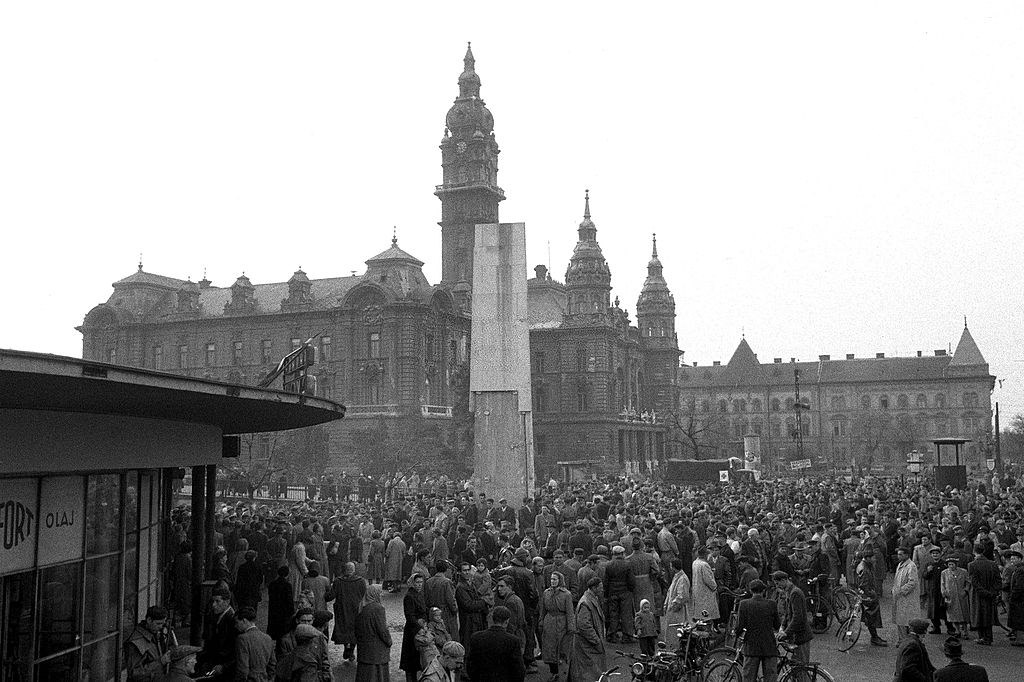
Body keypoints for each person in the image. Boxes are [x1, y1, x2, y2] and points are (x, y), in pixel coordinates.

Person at [734, 579, 781, 682]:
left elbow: (739, 626)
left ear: (751, 591)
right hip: (769, 646)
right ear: (763, 591)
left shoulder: (744, 604)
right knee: (770, 678)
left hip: (751, 646)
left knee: (748, 677)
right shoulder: (771, 604)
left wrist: (737, 636)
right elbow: (777, 625)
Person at [467, 606, 526, 682]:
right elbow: (518, 669)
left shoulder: (476, 637)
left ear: (492, 618)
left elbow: (470, 665)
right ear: (506, 621)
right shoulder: (512, 641)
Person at [539, 571, 575, 681]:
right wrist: (541, 621)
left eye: (555, 579)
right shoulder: (546, 592)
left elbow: (570, 612)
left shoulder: (566, 594)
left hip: (561, 622)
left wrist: (571, 627)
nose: (553, 581)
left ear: (560, 580)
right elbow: (543, 609)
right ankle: (553, 672)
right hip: (549, 622)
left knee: (561, 649)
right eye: (551, 579)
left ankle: (563, 673)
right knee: (549, 648)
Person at [568, 578, 606, 682]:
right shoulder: (586, 602)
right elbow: (584, 625)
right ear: (594, 588)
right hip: (587, 646)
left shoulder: (592, 599)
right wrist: (596, 640)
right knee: (589, 675)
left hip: (589, 645)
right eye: (601, 587)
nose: (602, 590)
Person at [772, 571, 812, 666]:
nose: (778, 587)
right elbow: (787, 613)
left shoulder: (795, 593)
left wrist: (786, 632)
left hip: (801, 636)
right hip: (796, 636)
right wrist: (782, 627)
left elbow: (798, 617)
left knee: (801, 669)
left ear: (784, 580)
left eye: (778, 583)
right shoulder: (790, 592)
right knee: (796, 668)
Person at [354, 584, 392, 682]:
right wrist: (389, 641)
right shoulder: (378, 608)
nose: (381, 595)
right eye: (379, 593)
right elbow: (382, 630)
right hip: (376, 652)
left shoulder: (362, 607)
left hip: (364, 651)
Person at [197, 587, 237, 678]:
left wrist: (224, 666)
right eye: (213, 601)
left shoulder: (232, 621)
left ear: (227, 602)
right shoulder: (215, 616)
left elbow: (236, 649)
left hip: (223, 667)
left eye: (217, 601)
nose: (213, 605)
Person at [126, 605, 173, 681]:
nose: (161, 627)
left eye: (162, 624)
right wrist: (160, 662)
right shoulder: (137, 642)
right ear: (149, 620)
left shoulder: (153, 634)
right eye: (158, 624)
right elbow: (134, 674)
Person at [331, 561, 368, 660]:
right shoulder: (360, 581)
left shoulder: (338, 581)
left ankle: (347, 648)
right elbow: (365, 595)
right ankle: (351, 650)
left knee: (344, 630)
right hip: (356, 610)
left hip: (342, 609)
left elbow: (331, 595)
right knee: (354, 631)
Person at [968, 542, 1000, 645]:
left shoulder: (972, 565)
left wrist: (984, 592)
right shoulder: (993, 564)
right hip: (990, 594)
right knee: (988, 615)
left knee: (978, 615)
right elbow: (998, 580)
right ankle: (988, 637)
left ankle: (982, 637)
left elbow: (975, 582)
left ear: (974, 551)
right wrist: (993, 592)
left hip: (978, 594)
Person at [233, 606, 276, 681]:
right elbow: (272, 664)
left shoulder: (242, 639)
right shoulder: (268, 638)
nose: (235, 626)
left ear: (244, 620)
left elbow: (243, 669)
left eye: (237, 622)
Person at [401, 573, 429, 682]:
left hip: (420, 628)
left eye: (421, 582)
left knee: (418, 658)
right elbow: (409, 615)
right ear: (413, 583)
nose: (419, 585)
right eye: (417, 582)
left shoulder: (419, 594)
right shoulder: (409, 596)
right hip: (412, 631)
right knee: (411, 659)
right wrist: (419, 625)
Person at [425, 561, 461, 642]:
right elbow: (451, 600)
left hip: (432, 612)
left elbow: (426, 599)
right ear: (446, 570)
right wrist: (455, 610)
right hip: (445, 613)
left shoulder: (428, 581)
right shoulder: (446, 582)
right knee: (448, 636)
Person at [456, 561, 490, 645]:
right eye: (464, 570)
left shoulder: (470, 583)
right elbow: (468, 605)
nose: (467, 572)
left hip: (474, 620)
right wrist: (484, 601)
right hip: (468, 622)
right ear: (460, 572)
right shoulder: (461, 587)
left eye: (468, 570)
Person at [662, 558, 691, 648]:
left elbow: (682, 596)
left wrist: (672, 605)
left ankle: (677, 647)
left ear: (674, 567)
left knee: (677, 630)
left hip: (678, 610)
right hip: (673, 609)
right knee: (672, 630)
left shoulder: (682, 579)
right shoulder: (677, 576)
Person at [940, 555, 971, 639]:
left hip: (961, 596)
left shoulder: (963, 572)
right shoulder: (944, 573)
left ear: (956, 564)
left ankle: (965, 631)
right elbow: (942, 584)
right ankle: (957, 630)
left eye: (952, 564)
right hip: (950, 596)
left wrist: (966, 590)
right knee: (953, 615)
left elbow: (968, 582)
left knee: (964, 614)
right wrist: (944, 592)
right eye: (949, 564)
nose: (951, 566)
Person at [892, 547, 920, 637]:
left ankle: (908, 639)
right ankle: (901, 639)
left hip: (908, 597)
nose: (898, 556)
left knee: (908, 620)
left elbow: (912, 582)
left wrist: (901, 590)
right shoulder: (900, 564)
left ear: (907, 555)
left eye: (901, 554)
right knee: (900, 619)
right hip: (899, 597)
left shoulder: (911, 566)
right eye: (898, 554)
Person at [691, 546, 720, 624]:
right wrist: (714, 587)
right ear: (705, 555)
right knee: (706, 614)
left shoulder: (695, 562)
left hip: (697, 589)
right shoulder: (704, 565)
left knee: (700, 612)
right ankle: (707, 631)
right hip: (705, 591)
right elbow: (708, 579)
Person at [267, 566, 294, 643]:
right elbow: (289, 600)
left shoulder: (272, 584)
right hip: (283, 612)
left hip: (274, 610)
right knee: (282, 632)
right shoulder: (287, 585)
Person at [1004, 549, 1024, 645]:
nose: (1012, 561)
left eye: (1014, 559)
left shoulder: (1020, 570)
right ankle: (1017, 637)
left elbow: (1019, 586)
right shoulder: (1017, 569)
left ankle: (1020, 640)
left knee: (1019, 619)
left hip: (1019, 599)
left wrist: (1013, 596)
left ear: (1020, 559)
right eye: (1011, 559)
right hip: (1018, 598)